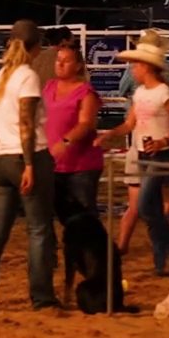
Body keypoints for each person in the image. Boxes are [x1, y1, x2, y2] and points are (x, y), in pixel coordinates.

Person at [0, 20, 59, 312]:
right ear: (36, 46)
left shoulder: (2, 76)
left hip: (1, 157)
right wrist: (30, 164)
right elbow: (27, 124)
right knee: (39, 229)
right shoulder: (27, 76)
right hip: (25, 156)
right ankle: (42, 297)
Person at [101, 33, 169, 275]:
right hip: (146, 151)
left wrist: (163, 141)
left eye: (136, 65)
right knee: (150, 207)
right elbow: (130, 124)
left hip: (160, 153)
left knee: (145, 206)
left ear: (146, 67)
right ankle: (162, 258)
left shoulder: (164, 93)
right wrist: (110, 134)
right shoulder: (141, 93)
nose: (133, 70)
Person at [45, 42, 104, 227]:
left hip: (81, 165)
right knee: (62, 215)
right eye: (59, 60)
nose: (60, 64)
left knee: (84, 219)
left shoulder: (86, 92)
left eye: (66, 60)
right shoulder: (49, 87)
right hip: (54, 162)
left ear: (78, 66)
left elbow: (86, 123)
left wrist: (66, 141)